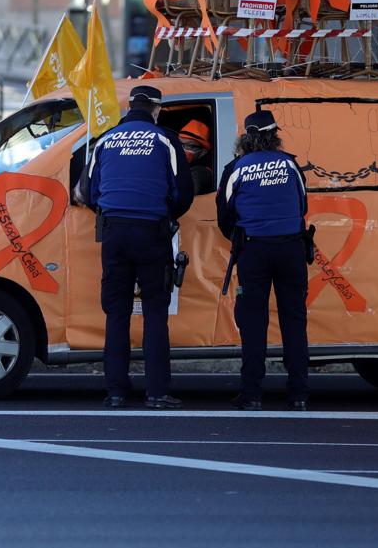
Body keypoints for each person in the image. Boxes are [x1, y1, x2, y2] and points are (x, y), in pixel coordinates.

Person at [79, 85, 193, 409]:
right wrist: (165, 214)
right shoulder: (165, 140)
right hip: (152, 233)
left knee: (117, 313)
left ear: (129, 106)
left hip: (113, 232)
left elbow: (89, 192)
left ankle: (115, 392)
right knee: (155, 312)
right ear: (156, 109)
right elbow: (183, 192)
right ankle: (156, 393)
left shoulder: (106, 139)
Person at [216, 110, 311, 411]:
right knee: (294, 321)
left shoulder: (236, 168)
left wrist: (243, 235)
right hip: (292, 249)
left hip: (254, 251)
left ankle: (252, 394)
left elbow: (224, 215)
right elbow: (302, 204)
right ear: (275, 135)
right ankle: (299, 395)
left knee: (253, 323)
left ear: (246, 137)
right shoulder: (291, 165)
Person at [179, 119, 215, 196]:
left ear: (203, 152)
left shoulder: (200, 173)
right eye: (180, 144)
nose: (182, 149)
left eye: (189, 146)